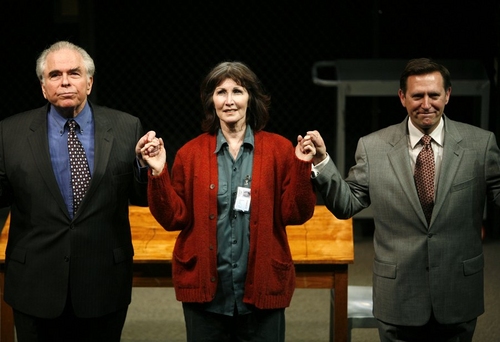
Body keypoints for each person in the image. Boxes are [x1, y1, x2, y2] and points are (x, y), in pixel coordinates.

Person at [303, 58, 500, 342]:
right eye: (417, 96)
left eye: (434, 95)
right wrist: (322, 162)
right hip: (397, 294)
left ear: (447, 95)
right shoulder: (372, 147)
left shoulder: (480, 144)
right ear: (402, 98)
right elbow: (347, 204)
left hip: (458, 292)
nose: (426, 103)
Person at [140, 61, 317, 341]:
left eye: (238, 91)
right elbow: (173, 218)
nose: (230, 100)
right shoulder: (190, 154)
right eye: (221, 92)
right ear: (212, 100)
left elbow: (296, 213)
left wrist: (302, 166)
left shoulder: (280, 150)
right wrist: (159, 171)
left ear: (251, 98)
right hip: (206, 294)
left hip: (263, 289)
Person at [0, 41, 157, 341]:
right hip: (35, 286)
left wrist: (144, 168)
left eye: (74, 73)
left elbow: (142, 198)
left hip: (103, 285)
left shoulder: (126, 127)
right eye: (55, 75)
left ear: (89, 81)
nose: (65, 81)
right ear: (43, 86)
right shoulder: (10, 133)